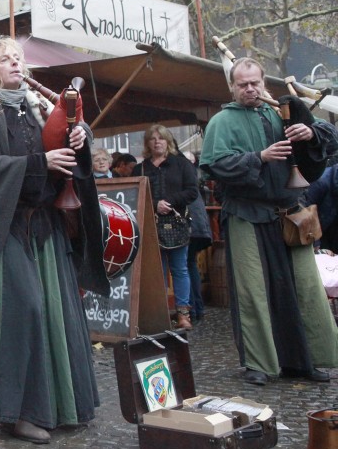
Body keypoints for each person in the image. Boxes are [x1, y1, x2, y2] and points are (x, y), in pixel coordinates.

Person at [0, 37, 99, 445]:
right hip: (5, 227)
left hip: (46, 226)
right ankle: (17, 412)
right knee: (26, 310)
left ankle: (61, 404)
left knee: (58, 312)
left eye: (18, 58)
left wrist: (78, 138)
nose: (15, 63)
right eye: (5, 59)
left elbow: (68, 148)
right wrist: (40, 162)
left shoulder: (39, 109)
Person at [201, 57, 338, 386]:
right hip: (246, 214)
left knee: (305, 288)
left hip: (291, 213)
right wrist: (258, 158)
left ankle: (306, 361)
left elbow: (329, 137)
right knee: (253, 290)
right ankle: (259, 364)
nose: (250, 89)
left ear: (264, 83)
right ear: (232, 87)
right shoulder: (221, 121)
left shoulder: (282, 111)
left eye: (255, 83)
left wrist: (310, 131)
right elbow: (214, 165)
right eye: (243, 84)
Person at [132, 125, 198, 330]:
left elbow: (192, 191)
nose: (157, 142)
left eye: (160, 138)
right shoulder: (140, 169)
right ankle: (159, 315)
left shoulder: (181, 164)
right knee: (156, 272)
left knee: (180, 269)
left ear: (167, 141)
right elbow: (135, 195)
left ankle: (183, 315)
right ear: (147, 143)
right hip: (150, 225)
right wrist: (155, 205)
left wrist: (169, 201)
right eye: (153, 139)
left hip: (177, 223)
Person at [183, 151, 212, 325]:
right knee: (190, 264)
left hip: (188, 226)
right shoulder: (195, 176)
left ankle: (192, 309)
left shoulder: (183, 175)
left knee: (184, 266)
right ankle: (197, 308)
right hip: (198, 226)